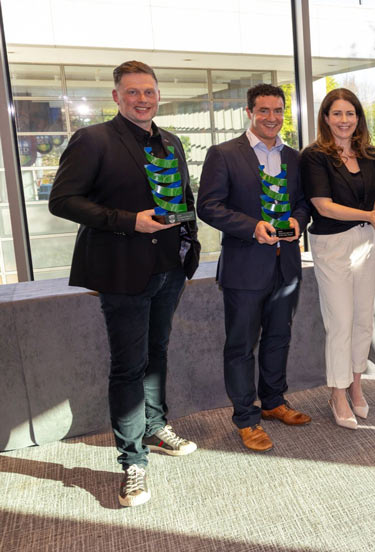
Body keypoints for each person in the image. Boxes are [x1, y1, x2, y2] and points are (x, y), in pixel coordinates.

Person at [48, 60, 201, 507]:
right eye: (132, 92)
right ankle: (132, 462)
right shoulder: (92, 140)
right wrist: (127, 221)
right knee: (128, 367)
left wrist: (188, 255)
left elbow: (183, 202)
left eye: (149, 91)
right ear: (116, 97)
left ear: (158, 95)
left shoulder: (170, 141)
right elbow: (62, 200)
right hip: (121, 273)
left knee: (157, 355)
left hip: (169, 272)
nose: (142, 99)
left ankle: (155, 428)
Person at [197, 83, 312, 452]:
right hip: (245, 267)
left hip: (286, 265)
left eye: (278, 111)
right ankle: (246, 418)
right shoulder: (224, 154)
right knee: (241, 346)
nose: (272, 118)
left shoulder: (294, 157)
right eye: (264, 110)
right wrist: (252, 227)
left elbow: (302, 203)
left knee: (279, 338)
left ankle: (274, 402)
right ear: (250, 112)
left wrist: (297, 221)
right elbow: (209, 206)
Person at [301, 88, 375, 430]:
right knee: (339, 321)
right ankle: (337, 393)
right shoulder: (314, 157)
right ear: (326, 118)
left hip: (367, 242)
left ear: (358, 118)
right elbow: (323, 206)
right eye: (336, 114)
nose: (344, 120)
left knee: (362, 320)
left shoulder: (368, 155)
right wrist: (368, 216)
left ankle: (356, 385)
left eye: (350, 114)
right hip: (332, 244)